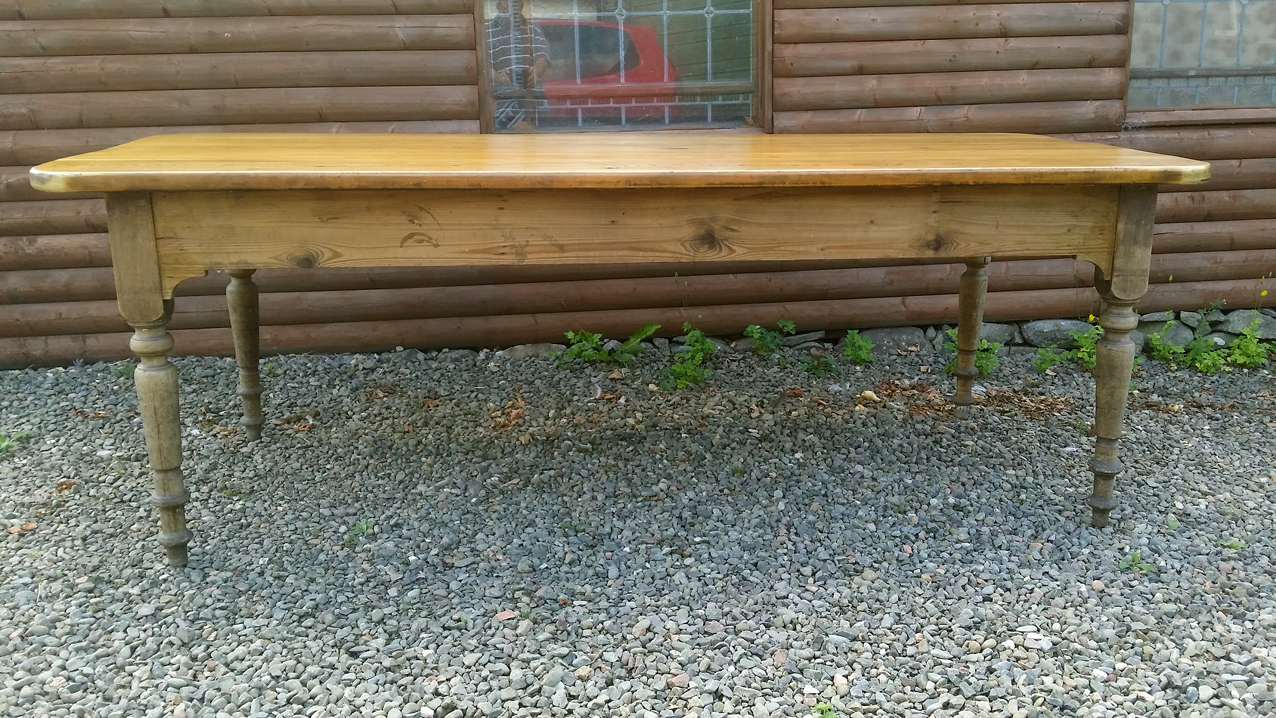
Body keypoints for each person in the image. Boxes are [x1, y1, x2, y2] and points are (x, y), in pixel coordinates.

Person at [487, 0, 552, 131]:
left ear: (521, 6)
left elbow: (542, 58)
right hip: (504, 102)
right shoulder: (487, 30)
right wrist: (498, 76)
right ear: (498, 5)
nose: (510, 6)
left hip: (532, 101)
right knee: (505, 145)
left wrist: (535, 73)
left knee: (539, 145)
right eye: (505, 2)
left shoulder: (531, 27)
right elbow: (481, 64)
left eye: (515, 2)